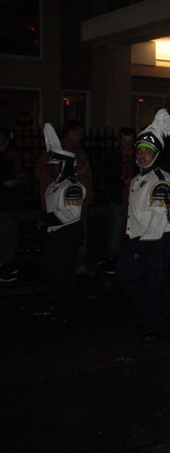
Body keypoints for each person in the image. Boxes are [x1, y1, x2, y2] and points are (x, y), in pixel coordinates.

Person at [116, 111, 170, 342]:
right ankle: (150, 317)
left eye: (147, 152)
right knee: (126, 277)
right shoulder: (139, 178)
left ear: (156, 154)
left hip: (158, 239)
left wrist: (140, 249)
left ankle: (161, 328)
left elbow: (159, 220)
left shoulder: (161, 181)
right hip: (141, 237)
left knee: (157, 283)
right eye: (140, 151)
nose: (142, 156)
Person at [39, 124, 86, 322]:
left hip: (68, 232)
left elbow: (72, 214)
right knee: (50, 268)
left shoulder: (72, 187)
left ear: (64, 165)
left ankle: (65, 308)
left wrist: (46, 221)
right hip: (56, 232)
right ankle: (64, 299)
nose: (51, 167)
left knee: (63, 271)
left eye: (55, 164)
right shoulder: (54, 185)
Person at [35, 120, 93, 274]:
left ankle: (77, 266)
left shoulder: (81, 153)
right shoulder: (54, 153)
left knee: (77, 241)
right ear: (70, 133)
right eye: (80, 133)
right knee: (59, 250)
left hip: (80, 205)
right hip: (61, 207)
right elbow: (42, 173)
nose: (82, 137)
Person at [99, 127, 137, 274]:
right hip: (120, 199)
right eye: (125, 141)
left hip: (134, 200)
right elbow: (108, 177)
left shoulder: (137, 156)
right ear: (119, 141)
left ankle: (130, 261)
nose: (127, 145)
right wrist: (122, 182)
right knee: (116, 231)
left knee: (133, 232)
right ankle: (113, 261)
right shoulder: (112, 156)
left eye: (130, 142)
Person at [0, 128, 25, 282]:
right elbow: (9, 182)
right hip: (4, 205)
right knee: (6, 237)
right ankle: (3, 269)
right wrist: (20, 179)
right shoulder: (3, 161)